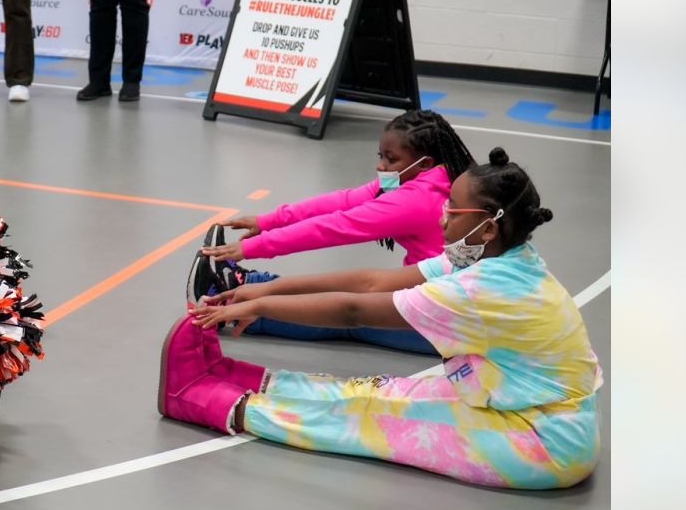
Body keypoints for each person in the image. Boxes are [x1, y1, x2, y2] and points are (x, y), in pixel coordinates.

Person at [162, 149, 601, 490]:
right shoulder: (498, 257)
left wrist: (259, 308)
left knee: (367, 422)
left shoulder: (483, 289)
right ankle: (256, 381)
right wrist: (266, 289)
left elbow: (354, 309)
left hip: (543, 441)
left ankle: (215, 403)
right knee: (377, 391)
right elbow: (374, 281)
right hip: (522, 405)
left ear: (487, 227)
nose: (442, 214)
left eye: (453, 208)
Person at [188, 109, 475, 355]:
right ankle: (246, 282)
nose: (381, 166)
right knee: (346, 292)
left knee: (347, 317)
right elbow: (343, 200)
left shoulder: (417, 200)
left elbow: (335, 227)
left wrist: (254, 246)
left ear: (423, 163)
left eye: (390, 159)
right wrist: (268, 221)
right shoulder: (432, 177)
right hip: (427, 290)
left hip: (440, 322)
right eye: (381, 156)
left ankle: (236, 309)